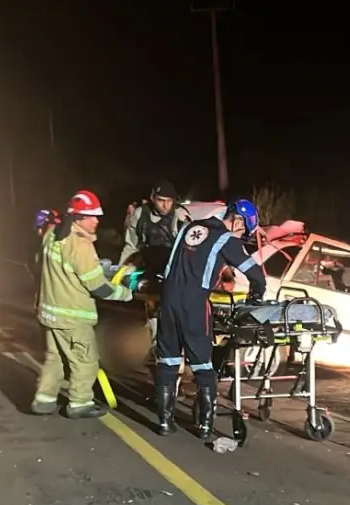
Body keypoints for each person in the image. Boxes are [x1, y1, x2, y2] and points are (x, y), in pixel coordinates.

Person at [154, 198, 266, 438]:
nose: (240, 234)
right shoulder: (226, 239)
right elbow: (254, 272)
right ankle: (205, 428)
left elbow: (173, 264)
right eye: (242, 230)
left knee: (168, 360)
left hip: (169, 298)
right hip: (194, 304)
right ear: (238, 221)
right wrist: (257, 292)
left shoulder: (189, 228)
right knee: (203, 366)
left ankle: (164, 422)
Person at [31, 190, 133, 419]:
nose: (97, 220)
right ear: (78, 218)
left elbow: (42, 265)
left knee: (55, 358)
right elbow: (98, 287)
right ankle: (80, 402)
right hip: (73, 316)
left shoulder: (52, 235)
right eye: (91, 216)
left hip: (50, 312)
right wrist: (127, 294)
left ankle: (44, 399)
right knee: (85, 360)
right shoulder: (80, 245)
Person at [118, 180, 191, 269]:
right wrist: (121, 269)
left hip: (172, 264)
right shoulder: (140, 214)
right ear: (152, 198)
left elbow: (189, 250)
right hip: (146, 262)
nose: (165, 206)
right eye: (161, 200)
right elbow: (131, 246)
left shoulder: (180, 216)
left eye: (169, 201)